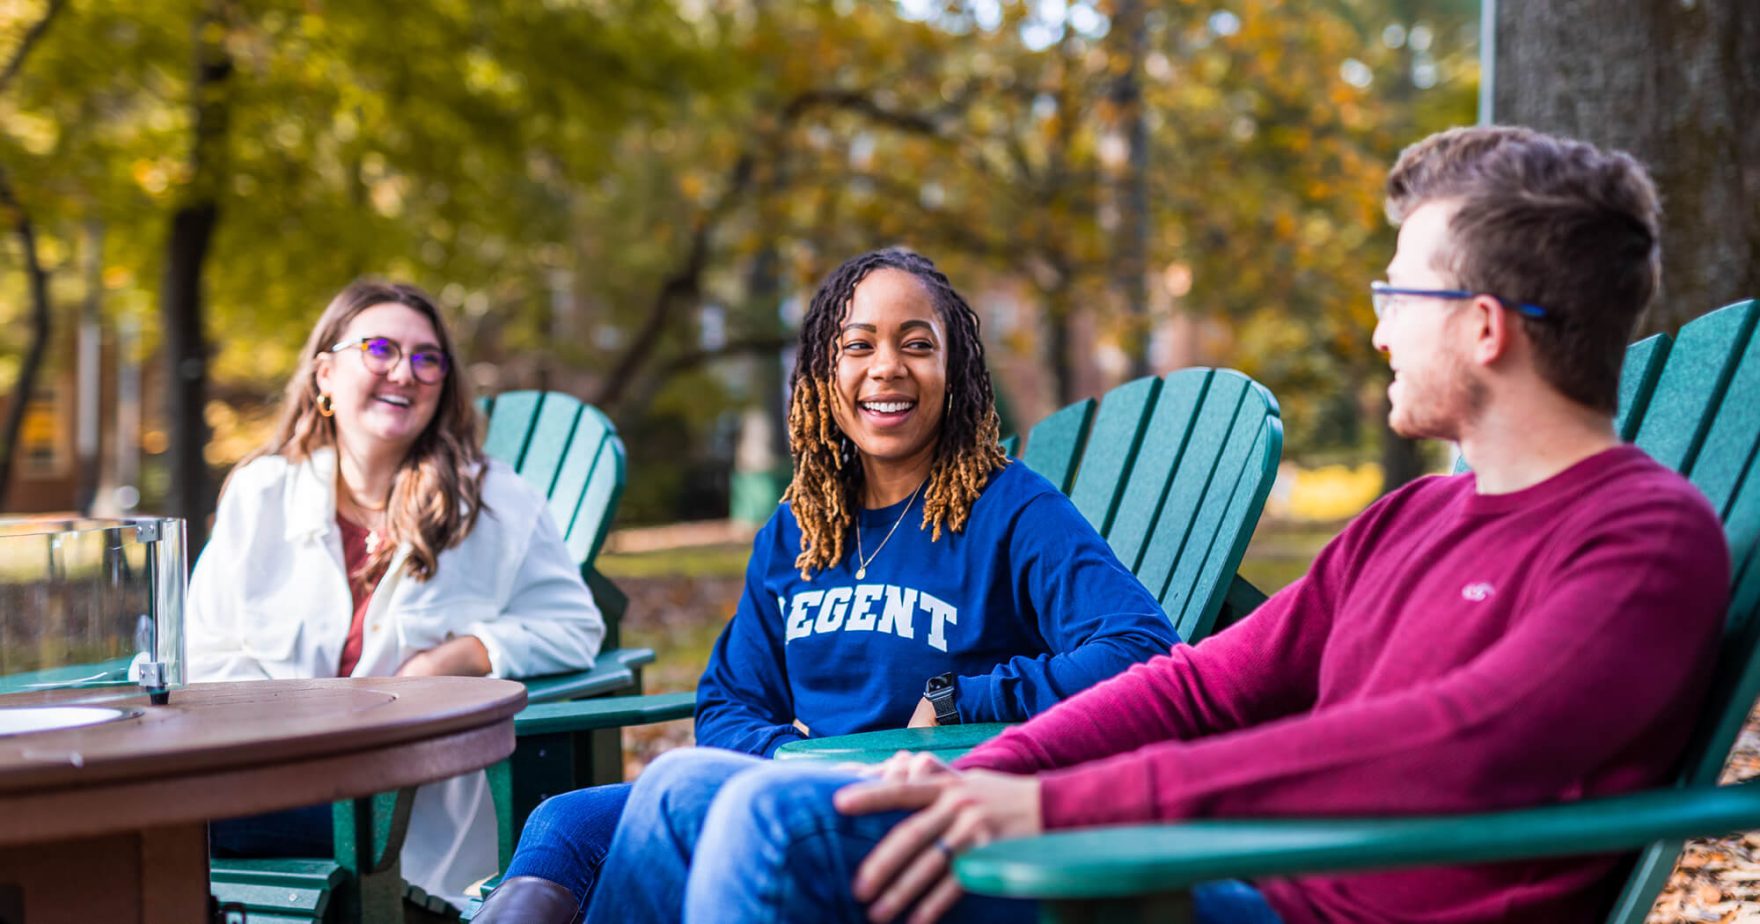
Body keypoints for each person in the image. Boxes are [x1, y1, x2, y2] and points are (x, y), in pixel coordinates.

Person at [578, 127, 1733, 924]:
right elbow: (1196, 687)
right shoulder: (1407, 523)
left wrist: (1047, 804)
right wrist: (982, 770)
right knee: (688, 791)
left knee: (769, 833)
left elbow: (1452, 743)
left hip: (1275, 899)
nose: (1378, 330)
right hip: (1217, 874)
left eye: (1396, 295)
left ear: (1484, 328)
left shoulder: (1638, 540)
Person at [472, 248, 1179, 922]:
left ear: (955, 369)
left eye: (917, 345)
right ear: (822, 373)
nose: (887, 369)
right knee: (564, 821)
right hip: (805, 793)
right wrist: (783, 759)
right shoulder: (798, 530)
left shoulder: (1012, 509)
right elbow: (730, 704)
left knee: (677, 792)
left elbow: (1144, 649)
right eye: (859, 345)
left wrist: (962, 698)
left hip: (930, 797)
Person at [187, 280, 605, 905]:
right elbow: (203, 651)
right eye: (380, 349)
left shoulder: (495, 502)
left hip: (408, 805)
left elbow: (575, 625)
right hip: (272, 782)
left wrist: (458, 656)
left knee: (153, 827)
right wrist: (292, 721)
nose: (405, 372)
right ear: (325, 373)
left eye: (426, 358)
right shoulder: (261, 495)